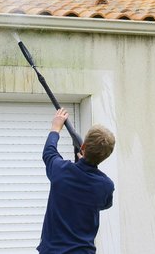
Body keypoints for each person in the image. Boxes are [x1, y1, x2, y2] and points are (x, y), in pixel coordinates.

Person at [37, 108, 115, 254]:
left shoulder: (61, 171)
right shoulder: (106, 186)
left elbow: (49, 152)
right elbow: (105, 204)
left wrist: (55, 128)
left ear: (83, 147)